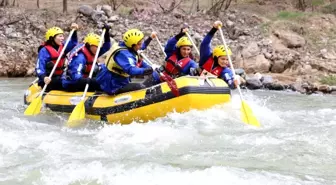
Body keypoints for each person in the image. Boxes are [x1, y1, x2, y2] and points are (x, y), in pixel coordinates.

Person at [96, 29, 156, 95]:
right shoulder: (123, 54)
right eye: (139, 44)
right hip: (112, 83)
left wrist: (150, 38)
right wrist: (148, 70)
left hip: (120, 79)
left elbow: (142, 47)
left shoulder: (127, 46)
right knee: (141, 87)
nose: (141, 46)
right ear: (132, 45)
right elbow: (131, 70)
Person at [62, 25, 112, 92]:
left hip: (84, 79)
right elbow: (76, 77)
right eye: (97, 46)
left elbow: (106, 47)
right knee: (100, 82)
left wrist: (106, 34)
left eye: (99, 46)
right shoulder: (79, 57)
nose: (99, 49)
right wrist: (91, 81)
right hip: (73, 84)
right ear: (89, 45)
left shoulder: (92, 51)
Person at [35, 23, 79, 91]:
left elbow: (73, 43)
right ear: (52, 38)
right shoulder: (44, 51)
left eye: (62, 36)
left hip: (60, 77)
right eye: (60, 36)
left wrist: (74, 32)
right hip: (48, 79)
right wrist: (44, 77)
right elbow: (39, 68)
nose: (62, 38)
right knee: (69, 84)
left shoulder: (63, 47)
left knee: (75, 80)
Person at [199, 21, 238, 89]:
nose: (225, 62)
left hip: (212, 88)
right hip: (197, 79)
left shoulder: (225, 70)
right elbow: (204, 44)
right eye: (222, 59)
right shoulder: (206, 57)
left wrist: (233, 84)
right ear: (216, 57)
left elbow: (229, 79)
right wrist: (214, 29)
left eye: (227, 59)